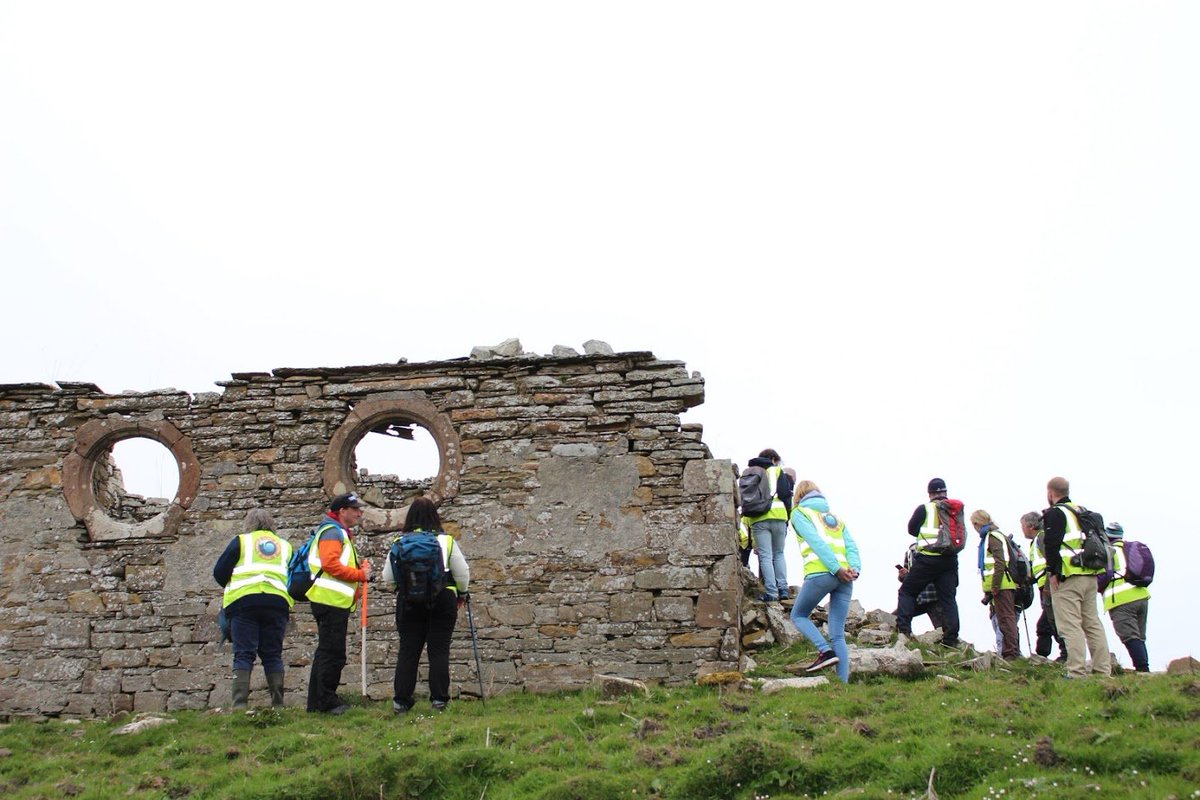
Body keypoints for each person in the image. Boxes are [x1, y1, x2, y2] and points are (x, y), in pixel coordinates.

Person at [385, 497, 471, 713]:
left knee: (408, 650)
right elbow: (462, 573)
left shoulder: (399, 543)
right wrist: (462, 593)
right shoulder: (447, 541)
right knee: (439, 650)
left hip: (409, 602)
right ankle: (439, 700)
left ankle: (401, 701)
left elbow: (388, 578)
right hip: (443, 598)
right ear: (435, 517)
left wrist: (405, 589)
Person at [212, 509, 293, 708]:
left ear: (249, 525)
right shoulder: (285, 546)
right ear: (271, 525)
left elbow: (219, 572)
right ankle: (278, 705)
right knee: (273, 654)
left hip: (243, 604)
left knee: (244, 653)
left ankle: (240, 706)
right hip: (277, 604)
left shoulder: (241, 542)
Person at [305, 492, 371, 714]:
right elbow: (331, 564)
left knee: (326, 652)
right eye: (355, 509)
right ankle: (327, 702)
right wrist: (360, 575)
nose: (359, 513)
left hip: (330, 600)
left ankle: (316, 703)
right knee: (333, 654)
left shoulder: (337, 531)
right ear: (342, 511)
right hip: (329, 601)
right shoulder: (333, 532)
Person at [788, 480, 861, 683]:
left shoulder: (799, 513)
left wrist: (836, 569)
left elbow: (816, 542)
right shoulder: (835, 519)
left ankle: (824, 651)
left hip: (822, 574)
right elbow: (852, 547)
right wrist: (854, 570)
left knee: (798, 615)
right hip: (846, 578)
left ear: (799, 497)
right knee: (838, 634)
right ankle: (843, 684)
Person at [1042, 477, 1111, 678]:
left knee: (1070, 624)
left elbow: (1052, 545)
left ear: (1050, 492)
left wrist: (1052, 572)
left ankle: (1076, 671)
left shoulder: (1055, 513)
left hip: (1068, 576)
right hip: (1090, 575)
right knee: (1092, 623)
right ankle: (1102, 670)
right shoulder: (1083, 511)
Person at [896, 478, 961, 646]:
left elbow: (912, 529)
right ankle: (951, 639)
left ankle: (904, 631)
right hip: (950, 559)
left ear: (930, 494)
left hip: (928, 558)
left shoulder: (925, 508)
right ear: (945, 492)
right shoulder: (954, 509)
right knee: (948, 598)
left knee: (907, 591)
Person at [742, 449, 794, 602]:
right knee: (779, 554)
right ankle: (783, 589)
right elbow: (785, 495)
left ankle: (771, 593)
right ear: (773, 458)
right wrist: (787, 518)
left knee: (765, 556)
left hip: (758, 517)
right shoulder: (776, 471)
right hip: (779, 516)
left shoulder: (750, 472)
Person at [1099, 522, 1151, 672]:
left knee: (1130, 636)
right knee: (1139, 637)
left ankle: (1143, 670)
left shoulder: (1109, 551)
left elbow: (1106, 575)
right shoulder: (1130, 548)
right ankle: (1144, 667)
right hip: (1141, 595)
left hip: (1122, 599)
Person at [971, 510, 1020, 660]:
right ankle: (1009, 651)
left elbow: (1000, 562)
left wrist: (995, 586)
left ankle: (1011, 653)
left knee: (1006, 619)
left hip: (1002, 584)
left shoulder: (992, 537)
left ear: (977, 523)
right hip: (999, 585)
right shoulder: (991, 536)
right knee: (1003, 619)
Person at [1020, 511, 1066, 662]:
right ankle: (1043, 655)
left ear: (1030, 526)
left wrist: (1048, 584)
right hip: (1044, 585)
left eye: (1023, 526)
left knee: (1053, 620)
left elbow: (1051, 560)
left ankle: (1064, 654)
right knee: (1045, 623)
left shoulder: (1041, 538)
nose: (1022, 529)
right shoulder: (1037, 540)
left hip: (1049, 586)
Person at [895, 544, 948, 633]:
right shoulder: (910, 552)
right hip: (916, 598)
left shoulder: (936, 549)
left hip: (932, 597)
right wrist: (902, 576)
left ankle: (946, 643)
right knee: (894, 619)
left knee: (942, 629)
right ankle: (903, 636)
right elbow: (908, 578)